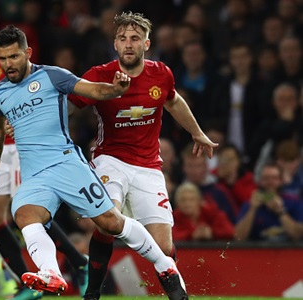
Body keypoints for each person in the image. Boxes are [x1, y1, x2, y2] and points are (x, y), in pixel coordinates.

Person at [0, 24, 187, 300]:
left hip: (66, 165)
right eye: (3, 59)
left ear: (27, 53)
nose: (8, 65)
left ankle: (164, 265)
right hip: (35, 175)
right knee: (25, 216)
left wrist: (114, 90)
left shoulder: (52, 76)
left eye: (14, 57)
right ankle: (50, 273)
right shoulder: (0, 92)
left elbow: (93, 91)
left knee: (111, 223)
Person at [58, 11, 217, 300]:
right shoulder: (99, 76)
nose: (128, 44)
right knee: (107, 222)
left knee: (164, 246)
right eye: (122, 38)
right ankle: (92, 293)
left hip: (148, 166)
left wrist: (197, 132)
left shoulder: (161, 74)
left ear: (146, 44)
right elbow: (68, 107)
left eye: (135, 38)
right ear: (115, 44)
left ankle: (175, 287)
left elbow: (173, 101)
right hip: (110, 159)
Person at [0, 2, 89, 298]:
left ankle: (75, 263)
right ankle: (29, 282)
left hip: (23, 145)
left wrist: (20, 123)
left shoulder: (7, 60)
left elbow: (33, 95)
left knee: (27, 211)